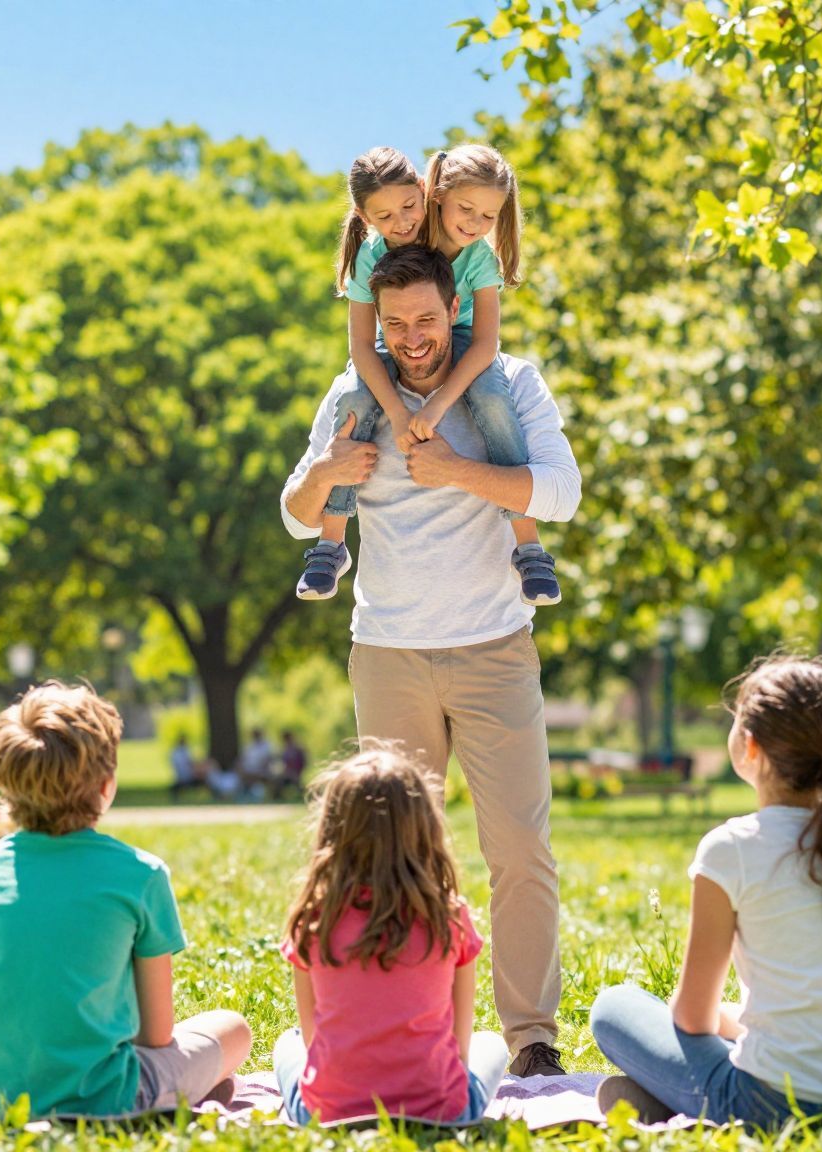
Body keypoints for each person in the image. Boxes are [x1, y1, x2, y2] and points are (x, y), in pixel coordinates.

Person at [280, 243, 582, 1076]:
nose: (412, 338)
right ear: (374, 319)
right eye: (395, 322)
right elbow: (298, 517)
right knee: (390, 855)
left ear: (454, 309)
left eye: (426, 319)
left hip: (494, 648)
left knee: (520, 847)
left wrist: (458, 471)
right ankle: (402, 1034)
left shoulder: (508, 385)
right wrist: (324, 474)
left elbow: (560, 492)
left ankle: (532, 1039)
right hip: (387, 651)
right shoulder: (352, 394)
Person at [588, 659, 822, 1125]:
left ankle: (670, 1098)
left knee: (614, 1007)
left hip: (777, 1106)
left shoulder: (732, 848)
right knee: (731, 1014)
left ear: (750, 746)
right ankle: (662, 1098)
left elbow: (691, 1018)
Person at [0, 682, 252, 1116]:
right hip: (103, 1096)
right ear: (106, 786)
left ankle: (186, 1088)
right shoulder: (141, 874)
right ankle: (186, 1090)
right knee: (233, 1029)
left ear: (3, 781)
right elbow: (157, 1034)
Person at [294, 144, 562, 608]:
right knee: (356, 400)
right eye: (466, 208)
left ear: (423, 192)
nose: (402, 221)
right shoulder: (382, 248)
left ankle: (529, 545)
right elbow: (361, 346)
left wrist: (438, 404)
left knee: (494, 400)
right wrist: (397, 412)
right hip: (390, 342)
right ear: (434, 192)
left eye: (487, 214)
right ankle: (331, 542)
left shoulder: (476, 256)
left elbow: (483, 344)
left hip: (464, 342)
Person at [273, 747, 507, 1123]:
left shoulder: (315, 920)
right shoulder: (448, 916)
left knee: (287, 1044)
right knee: (491, 1044)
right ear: (424, 828)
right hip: (442, 1110)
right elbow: (461, 1049)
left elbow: (311, 1036)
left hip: (328, 1113)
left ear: (332, 831)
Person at [238, 728, 276, 798]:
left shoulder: (266, 746)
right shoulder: (249, 746)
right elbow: (243, 759)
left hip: (262, 770)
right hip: (249, 770)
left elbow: (268, 760)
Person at [272, 729, 308, 801]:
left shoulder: (297, 749)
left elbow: (303, 761)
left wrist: (298, 771)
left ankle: (306, 796)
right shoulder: (285, 749)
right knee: (277, 780)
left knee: (296, 781)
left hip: (296, 772)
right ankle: (277, 798)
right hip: (287, 772)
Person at [169, 735, 208, 799]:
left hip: (184, 775)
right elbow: (188, 764)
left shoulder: (180, 751)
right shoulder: (179, 752)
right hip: (185, 776)